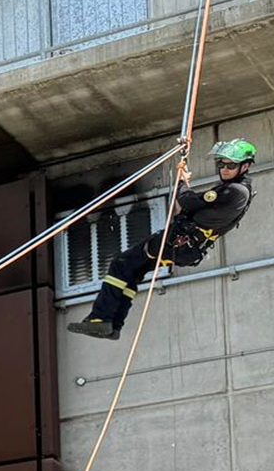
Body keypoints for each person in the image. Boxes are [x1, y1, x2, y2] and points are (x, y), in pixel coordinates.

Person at [67, 139, 257, 341]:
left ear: (244, 166)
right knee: (133, 272)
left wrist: (182, 182)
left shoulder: (235, 191)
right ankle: (113, 326)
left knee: (120, 264)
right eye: (221, 164)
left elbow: (187, 201)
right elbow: (188, 208)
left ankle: (100, 319)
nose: (225, 169)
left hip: (175, 242)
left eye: (231, 165)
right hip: (184, 246)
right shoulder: (234, 191)